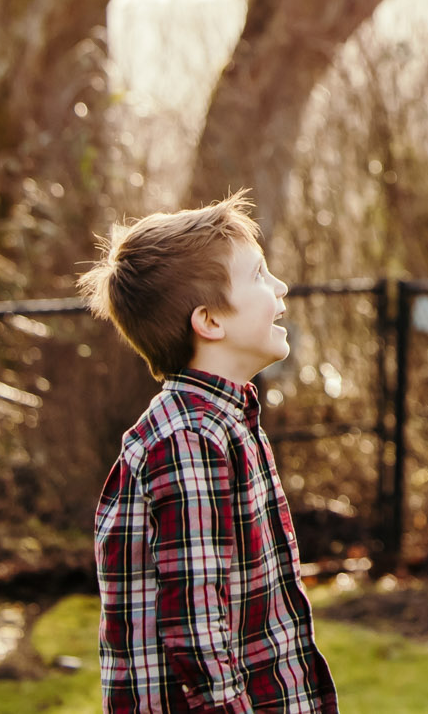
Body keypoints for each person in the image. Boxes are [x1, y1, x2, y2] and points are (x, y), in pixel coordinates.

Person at [78, 195, 337, 714]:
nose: (280, 288)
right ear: (210, 321)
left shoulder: (224, 423)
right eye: (260, 275)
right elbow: (197, 628)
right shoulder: (188, 441)